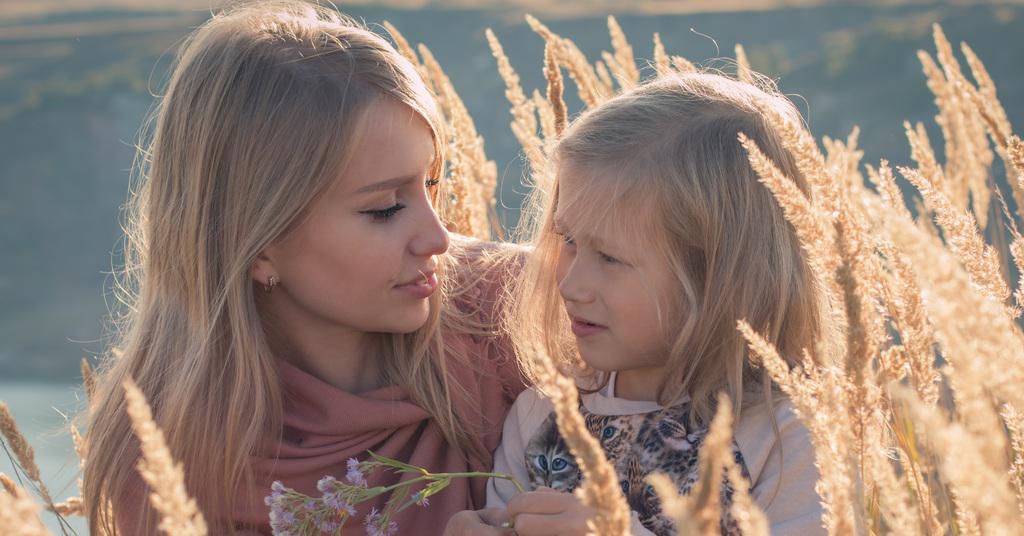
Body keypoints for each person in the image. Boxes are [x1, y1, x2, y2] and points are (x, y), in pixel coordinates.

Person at [81, 2, 524, 533]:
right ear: (258, 243)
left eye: (430, 186)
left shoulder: (527, 313)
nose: (437, 238)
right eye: (384, 207)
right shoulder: (162, 456)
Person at [476, 72, 829, 535]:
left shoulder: (790, 439)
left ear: (719, 276)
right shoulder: (543, 417)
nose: (572, 284)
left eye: (611, 257)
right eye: (568, 240)